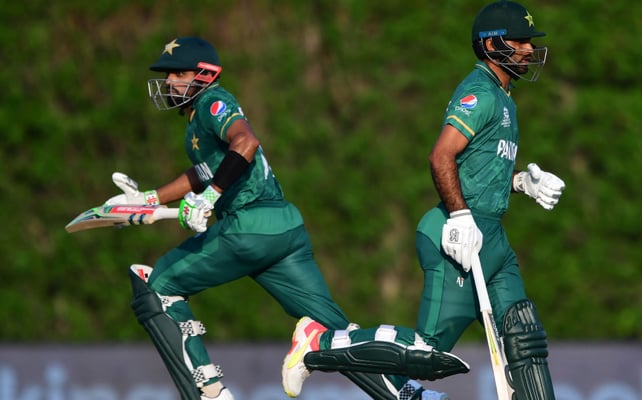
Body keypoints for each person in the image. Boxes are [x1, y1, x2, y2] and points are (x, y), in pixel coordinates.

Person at [103, 36, 455, 400]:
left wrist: (211, 196)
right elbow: (204, 172)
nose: (170, 82)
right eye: (168, 74)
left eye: (178, 73)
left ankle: (209, 392)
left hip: (249, 227)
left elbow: (246, 143)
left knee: (156, 287)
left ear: (205, 74)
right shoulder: (196, 122)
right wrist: (150, 198)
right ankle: (408, 394)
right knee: (333, 332)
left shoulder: (213, 102)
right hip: (284, 229)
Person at [282, 1, 565, 399]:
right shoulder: (479, 92)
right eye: (521, 42)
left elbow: (479, 172)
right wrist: (461, 216)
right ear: (492, 44)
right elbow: (441, 156)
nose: (530, 50)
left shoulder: (505, 98)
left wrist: (521, 183)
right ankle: (317, 343)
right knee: (428, 353)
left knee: (523, 338)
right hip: (458, 235)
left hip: (492, 237)